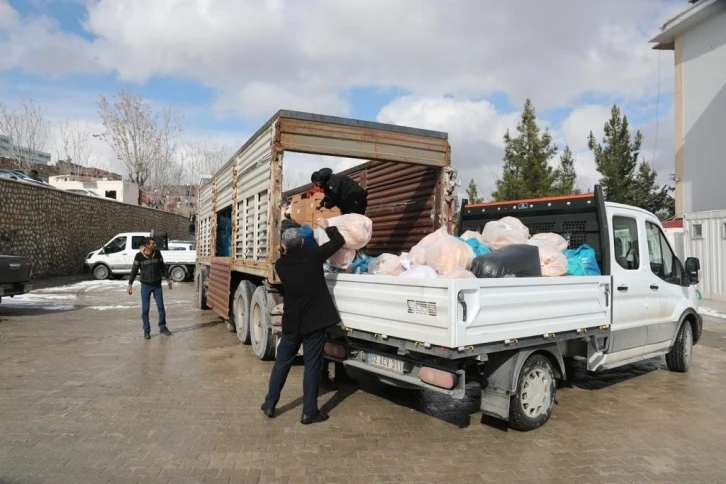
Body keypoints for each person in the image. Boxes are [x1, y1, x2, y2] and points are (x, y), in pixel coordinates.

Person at [261, 219, 345, 424]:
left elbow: (287, 257)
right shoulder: (313, 255)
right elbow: (338, 241)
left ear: (284, 246)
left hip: (292, 323)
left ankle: (270, 403)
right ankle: (309, 412)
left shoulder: (281, 265)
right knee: (312, 366)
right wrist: (326, 226)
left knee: (282, 363)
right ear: (302, 243)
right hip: (314, 323)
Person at [127, 237, 173, 339]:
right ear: (147, 245)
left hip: (157, 286)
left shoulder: (158, 253)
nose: (155, 245)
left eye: (155, 243)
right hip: (145, 286)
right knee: (145, 310)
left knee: (161, 308)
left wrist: (168, 279)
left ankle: (162, 327)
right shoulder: (139, 256)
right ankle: (146, 331)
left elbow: (163, 267)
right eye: (153, 244)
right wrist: (130, 284)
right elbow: (134, 270)